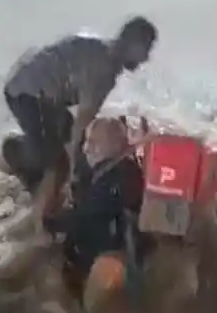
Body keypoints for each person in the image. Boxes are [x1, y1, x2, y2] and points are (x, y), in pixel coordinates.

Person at [2, 16, 158, 202]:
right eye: (146, 49)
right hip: (26, 93)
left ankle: (36, 161)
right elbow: (80, 127)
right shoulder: (104, 73)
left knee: (63, 141)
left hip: (33, 86)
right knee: (56, 162)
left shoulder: (99, 48)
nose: (146, 58)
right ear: (132, 44)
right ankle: (18, 153)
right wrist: (73, 176)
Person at [42, 116, 146, 300]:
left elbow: (85, 215)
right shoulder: (122, 168)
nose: (86, 148)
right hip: (118, 247)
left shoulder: (114, 179)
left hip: (112, 257)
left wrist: (50, 222)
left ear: (110, 146)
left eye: (92, 142)